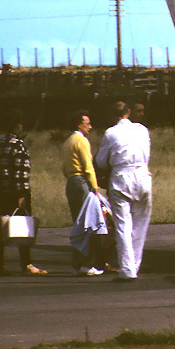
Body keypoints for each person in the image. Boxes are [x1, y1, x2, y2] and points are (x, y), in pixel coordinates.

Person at [94, 101, 152, 282]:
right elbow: (147, 154)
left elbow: (102, 161)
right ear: (128, 112)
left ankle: (127, 269)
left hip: (121, 177)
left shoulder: (111, 133)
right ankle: (135, 264)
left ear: (112, 116)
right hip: (142, 175)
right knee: (140, 224)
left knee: (122, 225)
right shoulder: (142, 130)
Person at [0, 109, 46, 276]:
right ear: (17, 126)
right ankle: (26, 263)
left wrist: (1, 181)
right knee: (24, 227)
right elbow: (21, 171)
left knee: (2, 227)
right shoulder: (18, 145)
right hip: (17, 192)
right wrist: (22, 194)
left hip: (2, 191)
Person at [62, 109, 108, 276]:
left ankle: (77, 264)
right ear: (79, 125)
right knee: (89, 224)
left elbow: (64, 167)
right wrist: (95, 188)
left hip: (71, 182)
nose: (90, 126)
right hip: (82, 182)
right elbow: (88, 167)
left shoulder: (68, 141)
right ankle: (87, 265)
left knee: (78, 224)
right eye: (87, 123)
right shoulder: (82, 141)